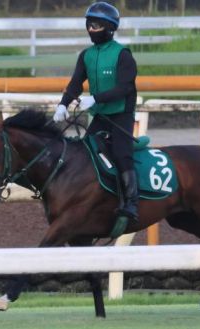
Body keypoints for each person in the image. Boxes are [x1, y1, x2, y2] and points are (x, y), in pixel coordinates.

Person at [53, 2, 139, 222]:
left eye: (97, 25)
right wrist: (63, 104)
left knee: (121, 153)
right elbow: (75, 84)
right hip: (101, 115)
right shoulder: (86, 55)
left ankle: (131, 203)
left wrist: (95, 98)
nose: (91, 29)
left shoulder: (123, 55)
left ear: (110, 28)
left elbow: (125, 88)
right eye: (89, 25)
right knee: (85, 152)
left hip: (121, 114)